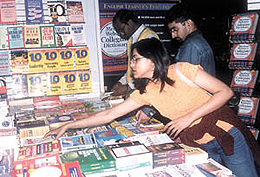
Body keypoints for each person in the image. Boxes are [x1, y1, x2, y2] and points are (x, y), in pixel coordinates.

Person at [45, 38, 259, 177]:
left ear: (153, 59)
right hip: (198, 145)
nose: (131, 65)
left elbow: (225, 92)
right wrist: (69, 125)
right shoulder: (144, 92)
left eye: (136, 59)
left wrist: (188, 117)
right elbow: (109, 114)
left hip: (226, 135)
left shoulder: (182, 70)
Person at [112, 9, 160, 120]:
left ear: (130, 22)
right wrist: (121, 82)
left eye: (122, 29)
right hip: (136, 91)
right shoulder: (131, 39)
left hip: (147, 93)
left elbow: (151, 72)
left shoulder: (149, 37)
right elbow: (131, 68)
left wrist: (129, 87)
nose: (121, 33)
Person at [166, 3, 216, 76]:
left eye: (175, 30)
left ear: (189, 24)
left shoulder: (191, 45)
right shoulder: (199, 41)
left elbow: (184, 80)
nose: (173, 36)